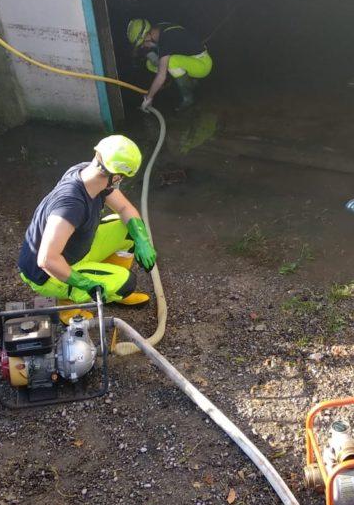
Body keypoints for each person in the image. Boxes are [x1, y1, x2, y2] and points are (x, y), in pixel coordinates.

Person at [17, 135, 157, 305]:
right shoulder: (71, 206)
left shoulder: (87, 173)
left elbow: (124, 209)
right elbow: (47, 260)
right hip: (46, 274)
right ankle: (67, 304)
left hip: (74, 251)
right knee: (126, 283)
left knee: (129, 229)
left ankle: (110, 287)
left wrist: (142, 240)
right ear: (117, 176)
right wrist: (87, 284)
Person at [127, 18, 212, 111]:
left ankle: (188, 97)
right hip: (190, 59)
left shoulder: (166, 39)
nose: (143, 46)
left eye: (142, 44)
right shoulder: (159, 28)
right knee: (150, 64)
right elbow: (161, 47)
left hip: (202, 65)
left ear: (147, 36)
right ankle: (183, 79)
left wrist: (148, 98)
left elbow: (161, 75)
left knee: (170, 62)